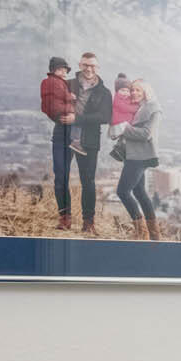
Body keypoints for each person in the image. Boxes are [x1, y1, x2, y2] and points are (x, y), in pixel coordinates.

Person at [70, 51, 113, 235]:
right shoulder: (68, 84)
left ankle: (88, 223)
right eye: (85, 65)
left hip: (89, 141)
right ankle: (63, 220)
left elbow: (104, 117)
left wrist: (77, 119)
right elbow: (54, 104)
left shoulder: (104, 92)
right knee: (61, 179)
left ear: (97, 67)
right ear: (80, 65)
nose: (89, 69)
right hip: (65, 137)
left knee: (88, 182)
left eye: (92, 65)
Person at [112, 80, 161, 240]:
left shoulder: (153, 109)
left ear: (146, 91)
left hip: (139, 156)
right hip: (133, 155)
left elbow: (146, 134)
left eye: (138, 90)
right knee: (139, 192)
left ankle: (142, 232)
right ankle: (154, 235)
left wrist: (124, 128)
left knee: (123, 191)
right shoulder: (139, 109)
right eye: (132, 90)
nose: (134, 93)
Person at [38, 56, 79, 229]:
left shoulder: (62, 84)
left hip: (71, 133)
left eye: (65, 70)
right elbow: (52, 108)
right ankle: (65, 217)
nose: (64, 72)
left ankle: (66, 217)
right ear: (53, 69)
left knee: (62, 177)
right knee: (61, 177)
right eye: (61, 69)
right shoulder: (51, 82)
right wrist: (72, 103)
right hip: (64, 133)